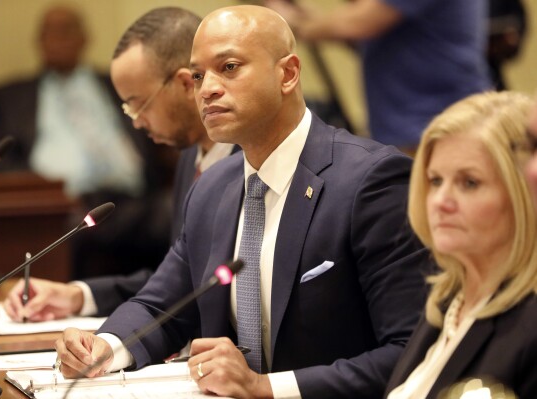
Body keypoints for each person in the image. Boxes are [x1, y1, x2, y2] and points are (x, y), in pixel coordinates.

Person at [54, 6, 431, 399]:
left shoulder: (372, 182)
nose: (207, 89)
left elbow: (408, 353)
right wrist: (104, 347)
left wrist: (264, 387)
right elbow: (159, 308)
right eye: (198, 75)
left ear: (287, 74)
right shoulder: (212, 188)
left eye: (229, 67)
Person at [4, 7, 237, 322]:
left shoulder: (250, 161)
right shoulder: (189, 160)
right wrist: (78, 296)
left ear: (184, 84)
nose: (137, 123)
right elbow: (178, 284)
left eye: (140, 104)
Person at [0, 5, 173, 278]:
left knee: (176, 211)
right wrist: (48, 196)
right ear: (39, 41)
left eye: (67, 31)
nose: (59, 40)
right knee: (70, 230)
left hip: (134, 200)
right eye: (51, 33)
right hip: (65, 206)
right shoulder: (11, 97)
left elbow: (153, 130)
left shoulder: (114, 83)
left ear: (85, 38)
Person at [384, 91, 537, 399]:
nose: (441, 202)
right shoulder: (446, 302)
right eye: (435, 180)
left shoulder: (529, 326)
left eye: (469, 183)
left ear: (523, 194)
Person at [265, 0, 491, 152]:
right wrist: (304, 20)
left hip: (438, 127)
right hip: (411, 126)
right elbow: (364, 35)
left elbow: (360, 23)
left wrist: (293, 23)